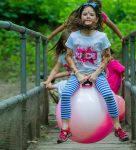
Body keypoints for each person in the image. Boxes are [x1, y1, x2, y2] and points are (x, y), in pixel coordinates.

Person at [57, 2, 129, 143]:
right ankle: (65, 129)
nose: (88, 16)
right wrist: (77, 74)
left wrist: (96, 74)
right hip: (77, 74)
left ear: (96, 19)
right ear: (80, 17)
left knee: (108, 95)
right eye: (85, 14)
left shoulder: (101, 37)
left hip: (98, 74)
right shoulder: (73, 36)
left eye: (91, 14)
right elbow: (69, 56)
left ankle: (117, 128)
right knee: (65, 94)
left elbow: (107, 57)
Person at [47, 0, 123, 42]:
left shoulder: (102, 15)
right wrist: (50, 36)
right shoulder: (80, 13)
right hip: (80, 37)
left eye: (92, 13)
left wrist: (121, 37)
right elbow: (65, 25)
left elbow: (113, 26)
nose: (88, 16)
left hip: (94, 37)